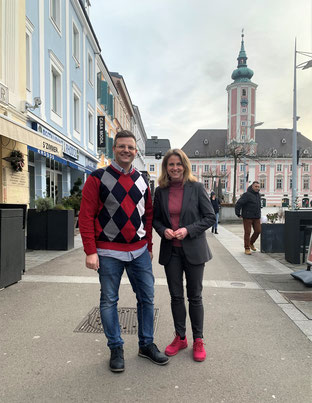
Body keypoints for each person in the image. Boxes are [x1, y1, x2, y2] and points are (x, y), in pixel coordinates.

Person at [79, 130, 169, 373]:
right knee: (109, 301)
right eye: (122, 146)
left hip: (139, 251)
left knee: (147, 299)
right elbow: (85, 216)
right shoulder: (97, 178)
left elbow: (148, 215)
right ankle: (116, 348)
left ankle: (146, 345)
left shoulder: (142, 180)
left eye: (130, 147)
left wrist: (148, 246)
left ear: (136, 151)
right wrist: (90, 251)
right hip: (108, 252)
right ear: (114, 149)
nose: (126, 150)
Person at [153, 149, 216, 362]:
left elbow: (209, 217)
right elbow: (156, 220)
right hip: (171, 252)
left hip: (194, 250)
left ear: (185, 166)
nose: (175, 168)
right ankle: (180, 337)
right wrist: (164, 231)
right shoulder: (160, 191)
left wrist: (188, 229)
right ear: (166, 168)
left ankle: (198, 339)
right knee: (176, 296)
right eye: (171, 164)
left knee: (195, 296)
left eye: (178, 164)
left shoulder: (196, 188)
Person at [235, 181, 261, 255]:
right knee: (247, 232)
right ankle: (247, 248)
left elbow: (259, 206)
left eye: (258, 187)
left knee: (258, 231)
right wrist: (238, 213)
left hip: (256, 217)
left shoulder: (258, 195)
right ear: (252, 186)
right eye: (256, 186)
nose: (257, 188)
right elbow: (238, 204)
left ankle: (251, 243)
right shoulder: (246, 195)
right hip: (247, 217)